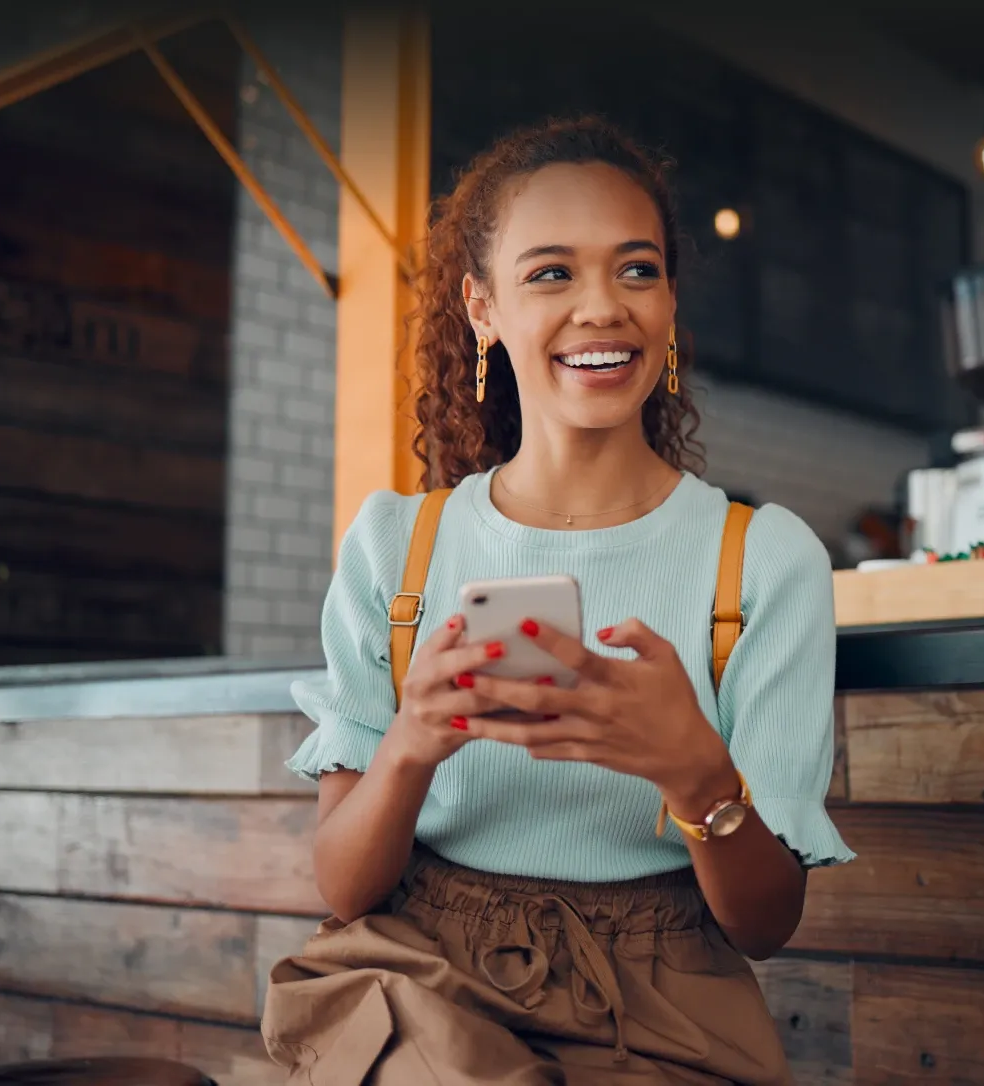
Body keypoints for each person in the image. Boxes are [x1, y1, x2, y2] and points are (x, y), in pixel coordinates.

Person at [260, 115, 854, 1086]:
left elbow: (763, 926)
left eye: (635, 270)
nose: (601, 308)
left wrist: (697, 776)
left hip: (667, 1014)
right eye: (550, 273)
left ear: (668, 302)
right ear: (481, 307)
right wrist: (411, 743)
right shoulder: (393, 549)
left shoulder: (762, 561)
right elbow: (343, 885)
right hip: (423, 986)